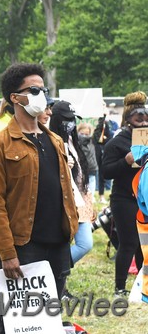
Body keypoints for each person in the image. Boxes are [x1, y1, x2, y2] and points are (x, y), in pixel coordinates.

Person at [0, 63, 78, 333]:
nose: (43, 95)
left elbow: (64, 190)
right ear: (16, 98)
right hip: (24, 246)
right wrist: (7, 252)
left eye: (44, 89)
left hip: (58, 243)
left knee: (47, 317)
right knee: (10, 318)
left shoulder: (55, 141)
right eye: (35, 89)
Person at [101, 91, 147, 297]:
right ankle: (120, 288)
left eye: (146, 117)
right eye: (139, 118)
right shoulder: (117, 141)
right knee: (129, 243)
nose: (144, 121)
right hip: (124, 199)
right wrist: (126, 161)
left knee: (143, 244)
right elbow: (106, 171)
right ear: (129, 119)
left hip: (143, 197)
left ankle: (141, 285)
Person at [50, 101, 93, 282]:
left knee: (85, 244)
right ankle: (56, 276)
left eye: (73, 120)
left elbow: (81, 175)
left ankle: (54, 272)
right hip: (63, 201)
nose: (71, 124)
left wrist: (89, 201)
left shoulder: (71, 141)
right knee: (71, 244)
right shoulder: (51, 141)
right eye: (67, 120)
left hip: (80, 199)